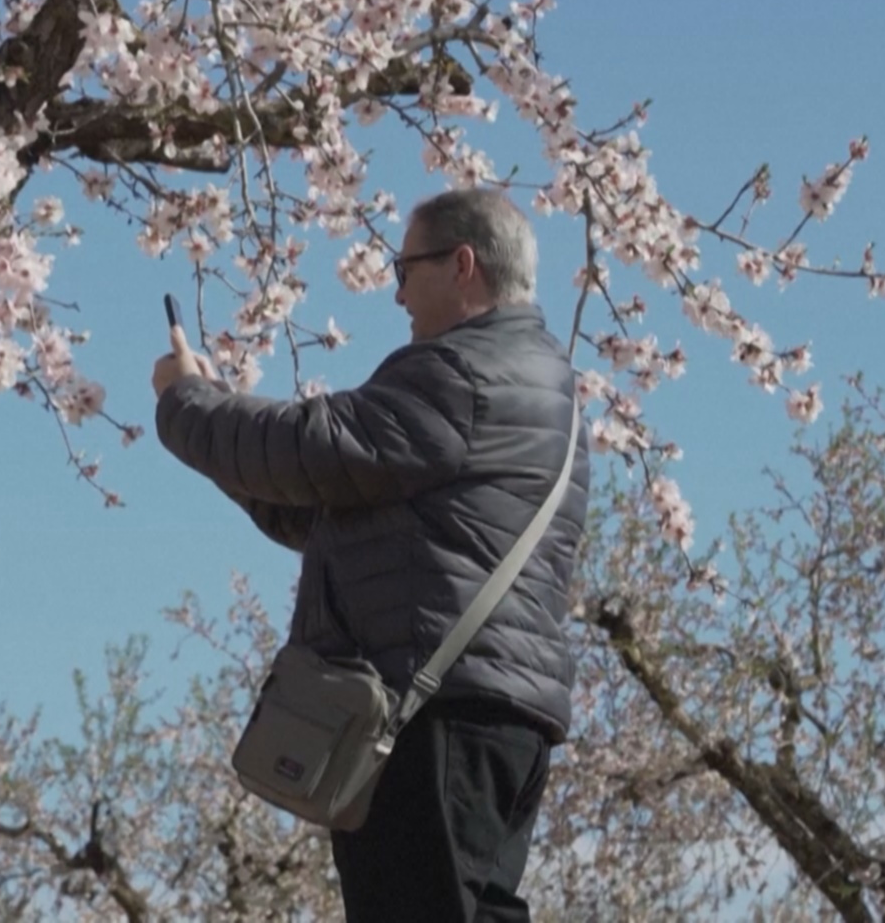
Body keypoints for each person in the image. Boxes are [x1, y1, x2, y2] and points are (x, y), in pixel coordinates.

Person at [151, 188, 588, 922]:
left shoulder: (460, 376)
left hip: (434, 711)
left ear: (462, 264)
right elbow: (323, 502)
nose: (395, 294)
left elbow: (309, 448)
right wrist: (215, 425)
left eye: (405, 268)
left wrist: (188, 402)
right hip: (490, 713)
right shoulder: (535, 382)